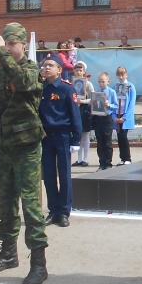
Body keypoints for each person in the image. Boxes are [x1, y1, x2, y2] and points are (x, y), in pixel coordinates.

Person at [0, 23, 50, 284]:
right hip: (6, 145)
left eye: (12, 44)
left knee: (30, 205)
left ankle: (39, 265)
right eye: (5, 43)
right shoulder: (0, 72)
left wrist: (1, 55)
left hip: (28, 146)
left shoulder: (31, 69)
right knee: (6, 201)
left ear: (22, 45)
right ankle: (8, 254)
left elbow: (22, 84)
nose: (7, 47)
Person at [39, 53, 82, 227]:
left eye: (51, 65)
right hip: (45, 137)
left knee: (64, 175)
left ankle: (64, 211)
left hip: (63, 136)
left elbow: (75, 115)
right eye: (44, 65)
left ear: (59, 69)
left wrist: (76, 140)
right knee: (48, 176)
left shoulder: (67, 88)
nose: (47, 68)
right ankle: (53, 210)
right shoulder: (41, 88)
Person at [92, 71, 118, 170]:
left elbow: (116, 106)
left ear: (108, 81)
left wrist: (108, 104)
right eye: (99, 81)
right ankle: (101, 163)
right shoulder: (97, 92)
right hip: (98, 117)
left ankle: (108, 163)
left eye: (103, 81)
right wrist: (92, 104)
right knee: (100, 142)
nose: (101, 83)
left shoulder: (111, 92)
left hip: (107, 118)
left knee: (107, 141)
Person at [72, 61, 93, 167]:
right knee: (78, 135)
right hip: (75, 109)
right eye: (77, 70)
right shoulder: (71, 83)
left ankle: (85, 158)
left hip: (84, 110)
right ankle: (79, 159)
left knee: (85, 134)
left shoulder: (88, 84)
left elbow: (93, 98)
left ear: (84, 71)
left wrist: (82, 101)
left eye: (81, 70)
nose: (79, 72)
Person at [114, 66, 136, 165]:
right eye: (119, 75)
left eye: (123, 75)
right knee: (119, 136)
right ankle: (122, 158)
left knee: (123, 135)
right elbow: (113, 101)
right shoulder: (115, 87)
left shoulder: (131, 86)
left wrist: (125, 117)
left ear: (126, 75)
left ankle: (127, 158)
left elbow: (131, 103)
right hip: (117, 114)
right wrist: (114, 116)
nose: (121, 77)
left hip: (125, 115)